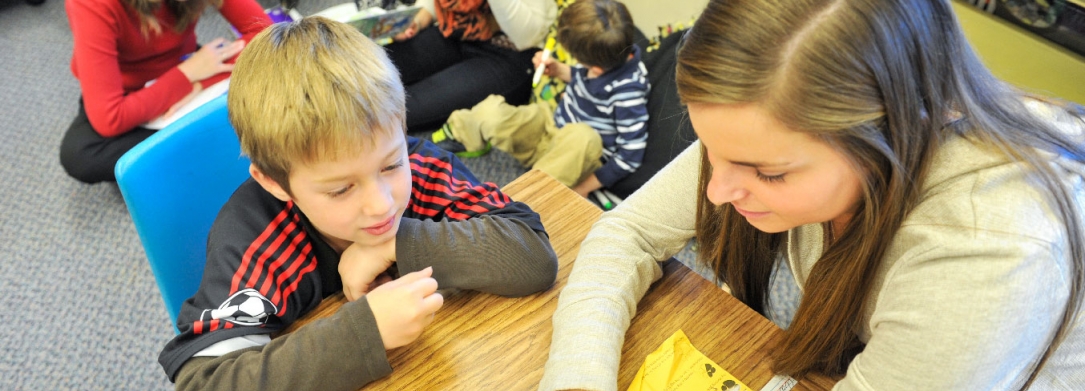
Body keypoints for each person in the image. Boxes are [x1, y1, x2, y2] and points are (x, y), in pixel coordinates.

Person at [539, 0, 1085, 390]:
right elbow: (626, 233)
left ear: (894, 134)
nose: (716, 190)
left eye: (769, 174)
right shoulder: (774, 118)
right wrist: (578, 378)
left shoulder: (990, 248)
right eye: (710, 148)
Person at [157, 17, 559, 390]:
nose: (382, 204)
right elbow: (203, 381)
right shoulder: (251, 240)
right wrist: (366, 330)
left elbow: (532, 256)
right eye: (340, 190)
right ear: (275, 184)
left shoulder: (418, 165)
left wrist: (395, 243)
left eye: (390, 165)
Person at [431, 0, 649, 198]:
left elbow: (630, 157)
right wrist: (559, 70)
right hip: (551, 122)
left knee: (584, 138)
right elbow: (584, 76)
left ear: (597, 67)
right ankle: (461, 132)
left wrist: (582, 189)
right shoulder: (607, 58)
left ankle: (523, 199)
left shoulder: (629, 93)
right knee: (494, 112)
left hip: (573, 155)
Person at [60, 0, 271, 183]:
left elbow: (269, 35)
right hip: (129, 86)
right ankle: (203, 141)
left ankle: (190, 146)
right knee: (79, 156)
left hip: (192, 65)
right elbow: (110, 117)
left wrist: (199, 81)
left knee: (276, 82)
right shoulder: (90, 4)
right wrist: (184, 78)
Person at [384, 0, 557, 132]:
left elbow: (527, 36)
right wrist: (418, 20)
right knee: (373, 69)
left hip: (513, 53)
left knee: (396, 108)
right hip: (459, 31)